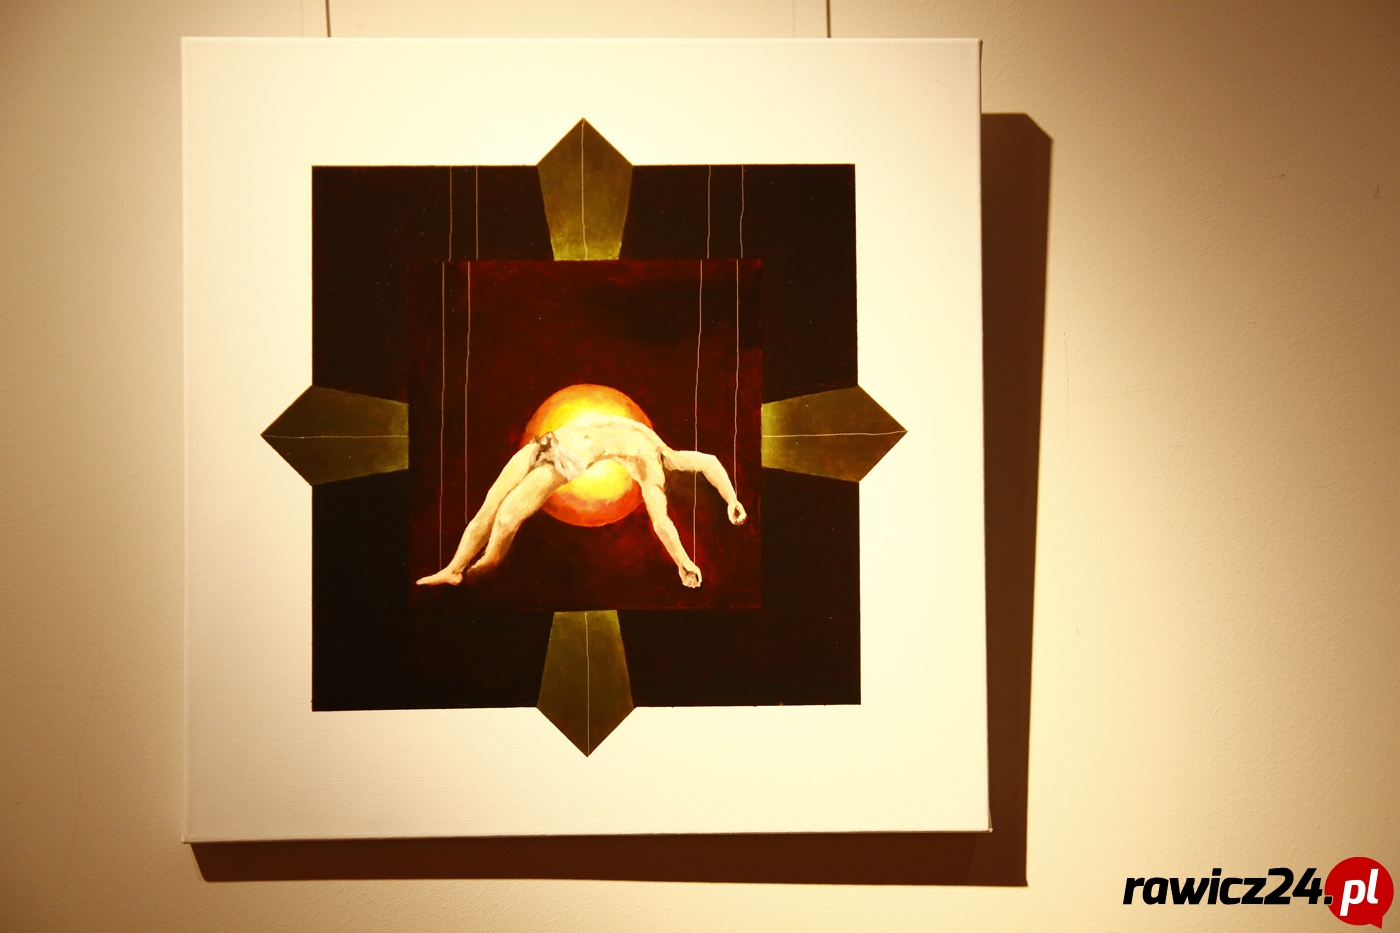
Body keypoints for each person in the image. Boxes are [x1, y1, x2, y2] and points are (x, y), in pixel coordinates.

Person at [416, 414, 746, 589]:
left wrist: (683, 562)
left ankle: (487, 565)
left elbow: (662, 524)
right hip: (545, 443)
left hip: (565, 460)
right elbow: (710, 461)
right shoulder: (661, 447)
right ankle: (453, 569)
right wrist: (731, 498)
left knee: (506, 517)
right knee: (488, 508)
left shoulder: (652, 479)